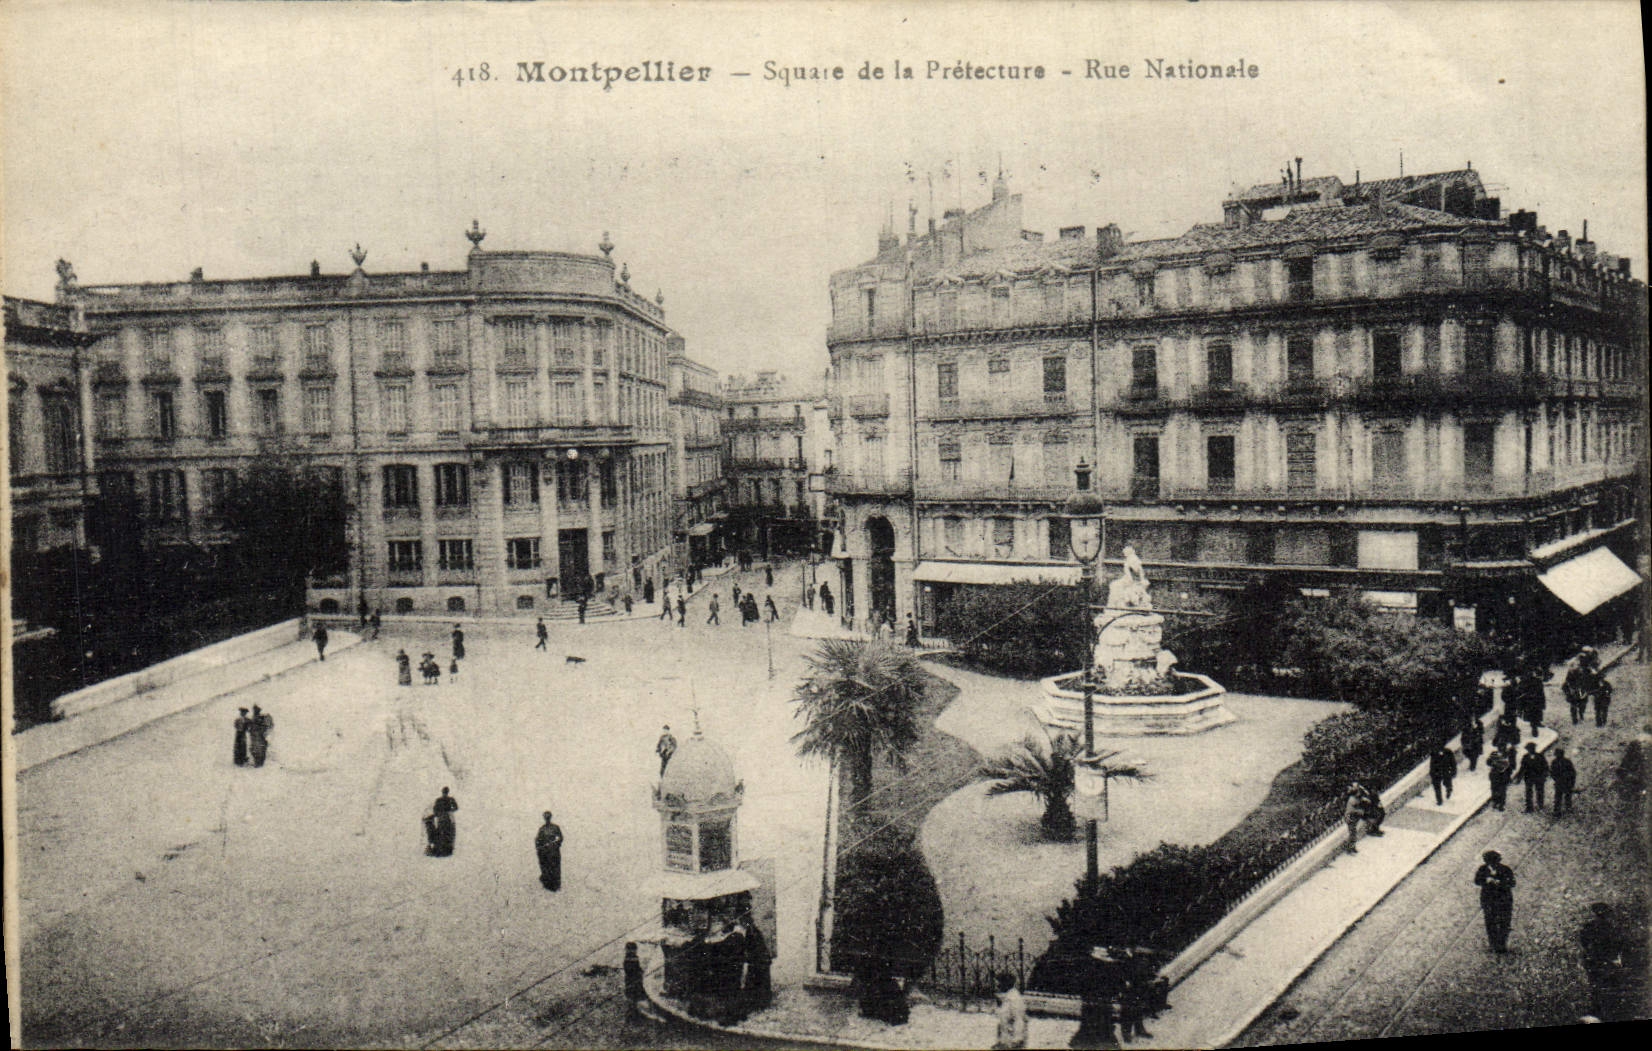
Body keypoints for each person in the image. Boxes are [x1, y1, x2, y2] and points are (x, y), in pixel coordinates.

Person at [1578, 902, 1627, 1020]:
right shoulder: (1610, 927)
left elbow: (1583, 941)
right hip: (1604, 960)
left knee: (1595, 984)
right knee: (1605, 985)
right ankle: (1604, 1010)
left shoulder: (1588, 926)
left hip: (1592, 959)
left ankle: (1596, 1008)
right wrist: (1615, 958)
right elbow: (1617, 944)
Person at [1474, 849, 1516, 952]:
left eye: (1494, 862)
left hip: (1503, 900)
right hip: (1489, 900)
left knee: (1504, 922)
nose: (1492, 864)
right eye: (1490, 862)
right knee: (1490, 922)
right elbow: (1477, 881)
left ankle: (1502, 944)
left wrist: (1500, 882)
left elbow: (1512, 883)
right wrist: (1486, 880)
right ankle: (1493, 943)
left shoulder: (1505, 870)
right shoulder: (1482, 870)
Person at [740, 912, 772, 1011]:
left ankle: (758, 1002)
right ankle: (762, 1001)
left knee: (757, 979)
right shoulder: (753, 930)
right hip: (761, 959)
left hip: (758, 960)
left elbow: (750, 948)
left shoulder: (751, 932)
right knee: (760, 980)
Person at [992, 971, 1029, 1049]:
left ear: (1006, 984)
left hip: (1013, 1042)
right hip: (1007, 1041)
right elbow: (1004, 1018)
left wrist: (1017, 1040)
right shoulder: (1008, 998)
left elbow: (1019, 1020)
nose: (998, 986)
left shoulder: (1014, 999)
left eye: (1000, 983)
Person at [1517, 742, 1549, 813]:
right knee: (1528, 793)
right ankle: (1529, 807)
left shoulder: (1540, 756)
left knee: (1540, 792)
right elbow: (1522, 768)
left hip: (1538, 777)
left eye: (1531, 749)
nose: (1530, 750)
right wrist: (1519, 778)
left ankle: (1540, 806)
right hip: (1529, 778)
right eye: (1529, 749)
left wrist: (1544, 775)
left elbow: (1545, 766)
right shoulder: (1525, 757)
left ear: (1534, 749)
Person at [425, 787, 458, 857]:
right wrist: (450, 810)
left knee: (440, 831)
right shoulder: (451, 799)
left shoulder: (438, 800)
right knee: (448, 832)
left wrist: (438, 814)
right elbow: (456, 808)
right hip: (448, 818)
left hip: (440, 818)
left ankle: (439, 847)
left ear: (442, 792)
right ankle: (447, 848)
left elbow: (435, 810)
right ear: (447, 792)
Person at [535, 811, 564, 891]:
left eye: (547, 817)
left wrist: (556, 845)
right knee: (548, 867)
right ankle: (549, 884)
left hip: (553, 851)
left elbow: (560, 838)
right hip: (546, 852)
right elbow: (538, 841)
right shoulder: (542, 829)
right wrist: (540, 848)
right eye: (546, 817)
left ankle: (555, 884)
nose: (547, 819)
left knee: (555, 867)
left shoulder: (555, 828)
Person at [1549, 746, 1578, 815]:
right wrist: (1555, 778)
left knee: (1567, 796)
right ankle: (1557, 810)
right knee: (1558, 797)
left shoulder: (1567, 762)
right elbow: (1552, 772)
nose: (1558, 756)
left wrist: (1571, 781)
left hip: (1567, 781)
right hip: (1559, 782)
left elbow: (1572, 772)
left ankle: (1568, 808)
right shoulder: (1554, 762)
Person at [1564, 659, 1593, 724]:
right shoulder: (1570, 672)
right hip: (1574, 691)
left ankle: (1581, 715)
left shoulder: (1582, 671)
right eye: (1576, 665)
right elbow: (1567, 682)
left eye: (1578, 665)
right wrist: (1570, 690)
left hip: (1582, 690)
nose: (1578, 666)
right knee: (1573, 706)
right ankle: (1574, 719)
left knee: (1582, 704)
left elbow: (1586, 680)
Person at [1486, 746, 1514, 811]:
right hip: (1494, 779)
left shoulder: (1504, 763)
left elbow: (1509, 771)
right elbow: (1488, 762)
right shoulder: (1493, 762)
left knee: (1502, 792)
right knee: (1494, 791)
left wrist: (1508, 778)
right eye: (1494, 758)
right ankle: (1496, 802)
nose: (1495, 760)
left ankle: (1501, 805)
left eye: (1496, 758)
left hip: (1502, 780)